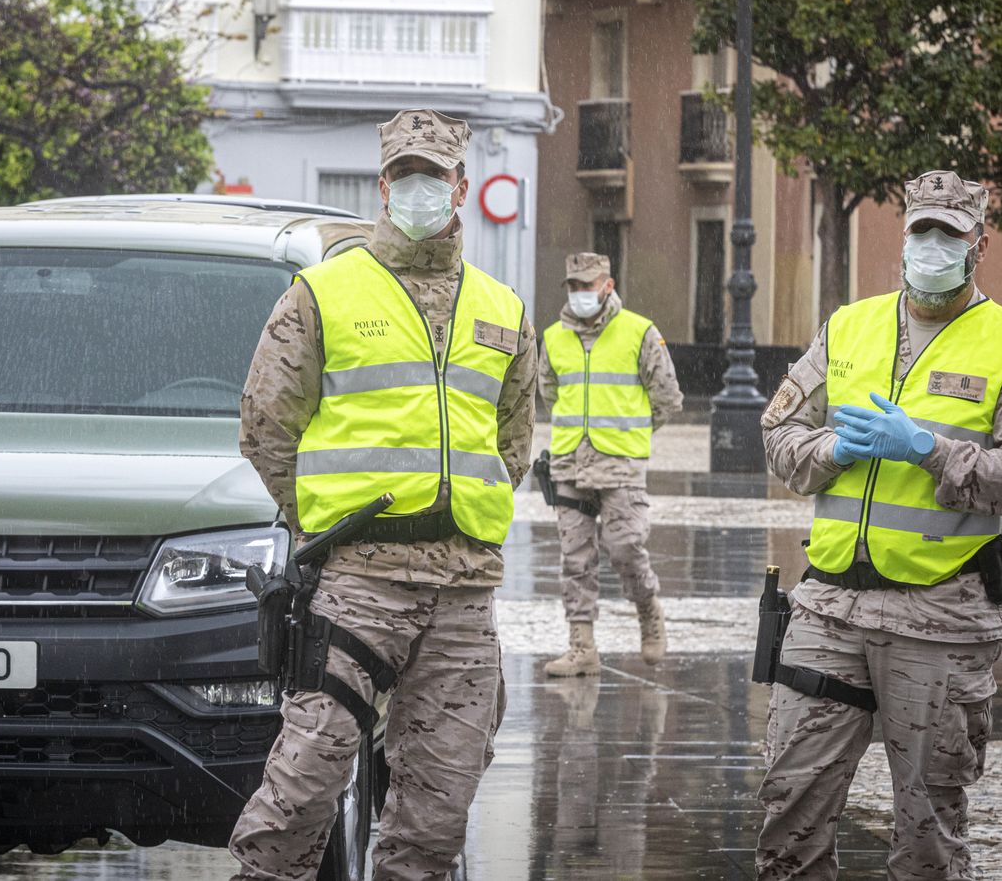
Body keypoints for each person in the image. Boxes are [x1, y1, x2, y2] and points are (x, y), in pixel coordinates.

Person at [228, 108, 536, 880]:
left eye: (434, 176)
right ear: (383, 184)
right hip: (360, 581)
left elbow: (512, 443)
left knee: (437, 813)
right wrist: (323, 525)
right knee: (300, 790)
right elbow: (267, 426)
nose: (420, 189)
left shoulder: (503, 309)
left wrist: (465, 511)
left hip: (463, 591)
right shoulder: (322, 293)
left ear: (461, 186)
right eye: (406, 175)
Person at [756, 170, 1002, 880]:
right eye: (920, 230)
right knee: (788, 810)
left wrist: (927, 449)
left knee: (928, 833)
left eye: (947, 235)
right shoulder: (849, 325)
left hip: (940, 618)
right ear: (903, 235)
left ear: (977, 244)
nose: (931, 246)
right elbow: (778, 434)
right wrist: (831, 448)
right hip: (829, 606)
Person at [538, 253, 682, 675]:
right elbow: (550, 394)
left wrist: (630, 435)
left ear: (608, 284)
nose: (581, 294)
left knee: (625, 549)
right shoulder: (553, 338)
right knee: (575, 558)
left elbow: (667, 398)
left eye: (588, 285)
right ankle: (582, 647)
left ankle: (648, 611)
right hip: (568, 463)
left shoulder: (639, 332)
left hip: (620, 463)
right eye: (574, 286)